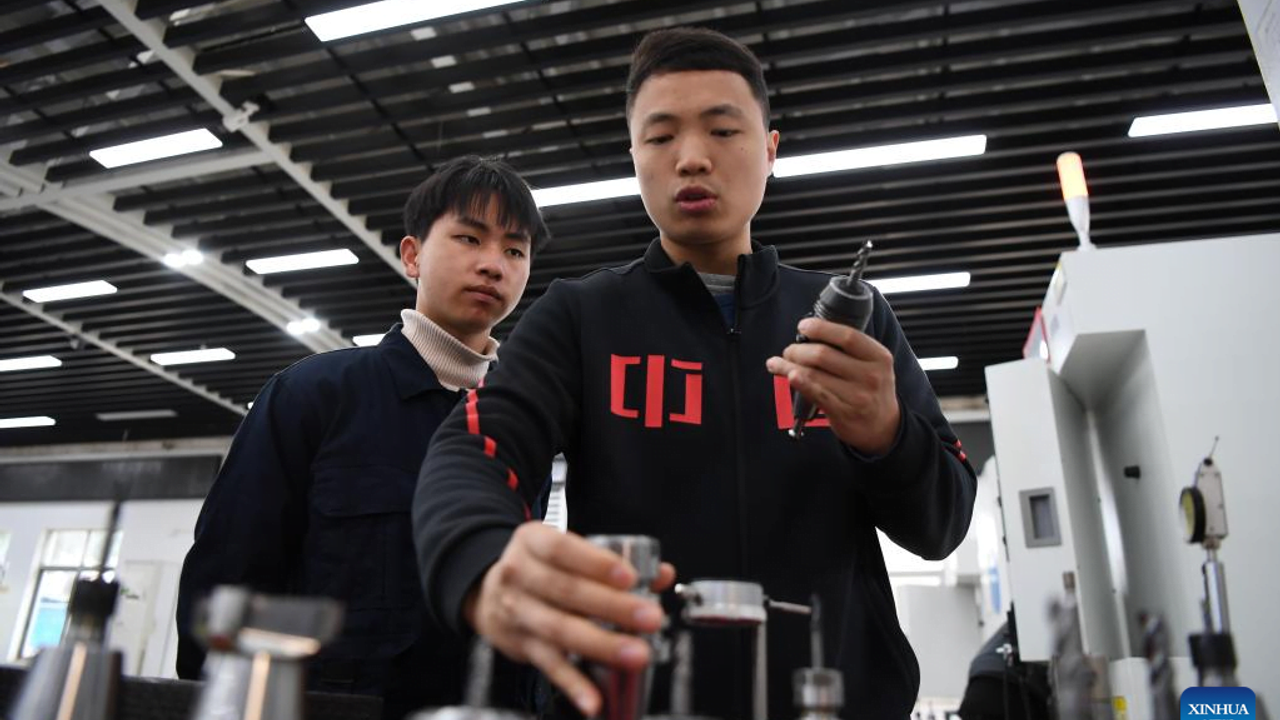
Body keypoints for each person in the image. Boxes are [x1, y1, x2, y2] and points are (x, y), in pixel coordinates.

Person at [414, 27, 977, 720]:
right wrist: (481, 558)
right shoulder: (581, 318)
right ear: (634, 157)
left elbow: (943, 525)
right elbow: (474, 448)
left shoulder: (850, 328)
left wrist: (886, 433)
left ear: (770, 149)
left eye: (723, 130)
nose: (690, 158)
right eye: (660, 137)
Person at [175, 155, 550, 720]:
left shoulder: (521, 424)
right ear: (412, 255)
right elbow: (227, 577)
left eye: (515, 251)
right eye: (469, 238)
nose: (493, 265)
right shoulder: (314, 395)